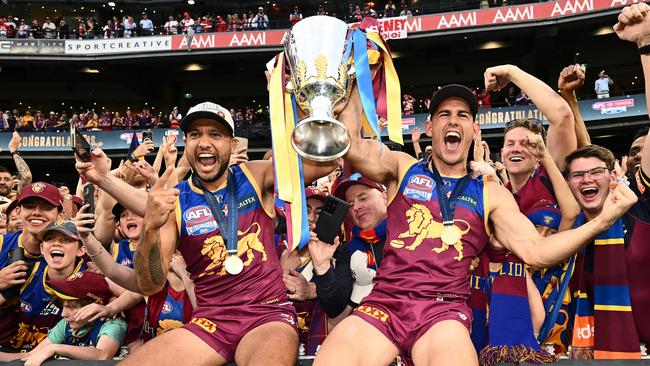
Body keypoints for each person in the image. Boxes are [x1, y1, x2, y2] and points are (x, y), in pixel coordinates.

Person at [313, 78, 636, 365]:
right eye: (444, 115)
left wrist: (601, 220)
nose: (453, 121)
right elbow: (351, 145)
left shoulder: (491, 195)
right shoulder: (403, 168)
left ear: (474, 130)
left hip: (442, 312)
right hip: (385, 302)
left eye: (463, 115)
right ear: (430, 129)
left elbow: (537, 252)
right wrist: (354, 73)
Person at [75, 101, 336, 365]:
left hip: (266, 314)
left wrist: (299, 107)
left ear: (232, 145)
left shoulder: (255, 175)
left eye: (215, 134)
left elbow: (324, 164)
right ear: (186, 143)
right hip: (211, 321)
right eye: (195, 135)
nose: (204, 142)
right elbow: (150, 283)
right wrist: (151, 227)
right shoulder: (176, 201)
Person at [0, 270, 126, 365]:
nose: (63, 314)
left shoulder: (112, 325)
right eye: (63, 306)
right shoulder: (66, 324)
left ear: (96, 304)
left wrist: (56, 348)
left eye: (72, 306)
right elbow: (31, 354)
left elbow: (102, 355)